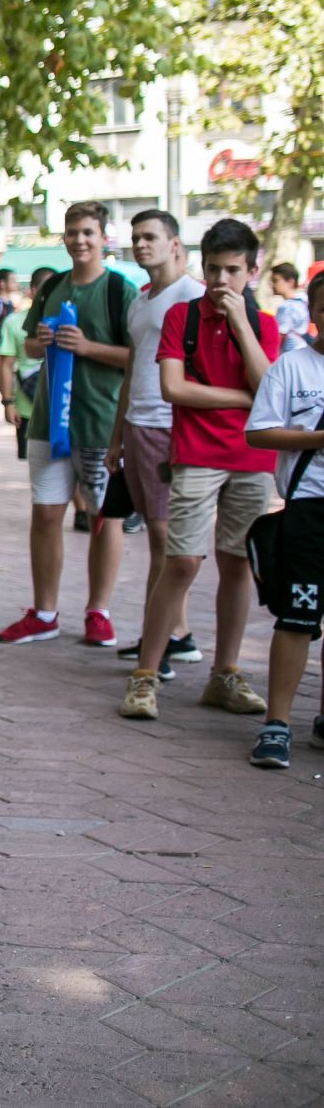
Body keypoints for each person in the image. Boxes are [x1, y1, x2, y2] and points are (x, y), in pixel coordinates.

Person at [119, 218, 279, 721]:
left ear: (252, 271)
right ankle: (145, 675)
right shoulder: (182, 316)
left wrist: (241, 325)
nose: (221, 281)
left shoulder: (265, 324)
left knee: (237, 562)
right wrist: (244, 399)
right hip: (196, 453)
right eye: (213, 269)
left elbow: (268, 387)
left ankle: (224, 673)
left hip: (252, 457)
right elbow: (174, 388)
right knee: (182, 560)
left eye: (232, 270)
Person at [1, 202, 132, 649]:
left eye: (88, 232)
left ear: (103, 237)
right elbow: (30, 347)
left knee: (102, 518)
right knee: (46, 513)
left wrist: (88, 347)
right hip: (47, 423)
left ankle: (99, 611)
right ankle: (44, 612)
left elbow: (140, 356)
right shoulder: (53, 287)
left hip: (100, 424)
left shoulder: (119, 290)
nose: (80, 240)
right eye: (72, 232)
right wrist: (44, 342)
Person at [107, 211, 205, 677]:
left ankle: (160, 641)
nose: (141, 244)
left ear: (175, 245)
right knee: (157, 536)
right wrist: (116, 436)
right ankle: (174, 634)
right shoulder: (141, 300)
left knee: (167, 538)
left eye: (150, 237)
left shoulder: (194, 297)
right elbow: (133, 368)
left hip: (174, 426)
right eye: (136, 238)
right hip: (138, 425)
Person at [242, 272, 324, 767]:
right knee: (297, 615)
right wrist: (318, 439)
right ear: (313, 313)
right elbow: (259, 432)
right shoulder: (292, 368)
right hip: (308, 509)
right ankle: (277, 724)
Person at [0, 268, 55, 458]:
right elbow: (6, 365)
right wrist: (8, 402)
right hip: (28, 408)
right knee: (33, 463)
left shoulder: (71, 320)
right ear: (34, 290)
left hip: (63, 408)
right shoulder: (13, 322)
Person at [269, 262, 308, 352]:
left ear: (290, 282)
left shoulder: (286, 307)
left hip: (289, 352)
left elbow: (280, 336)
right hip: (303, 349)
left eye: (275, 281)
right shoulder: (303, 300)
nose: (272, 285)